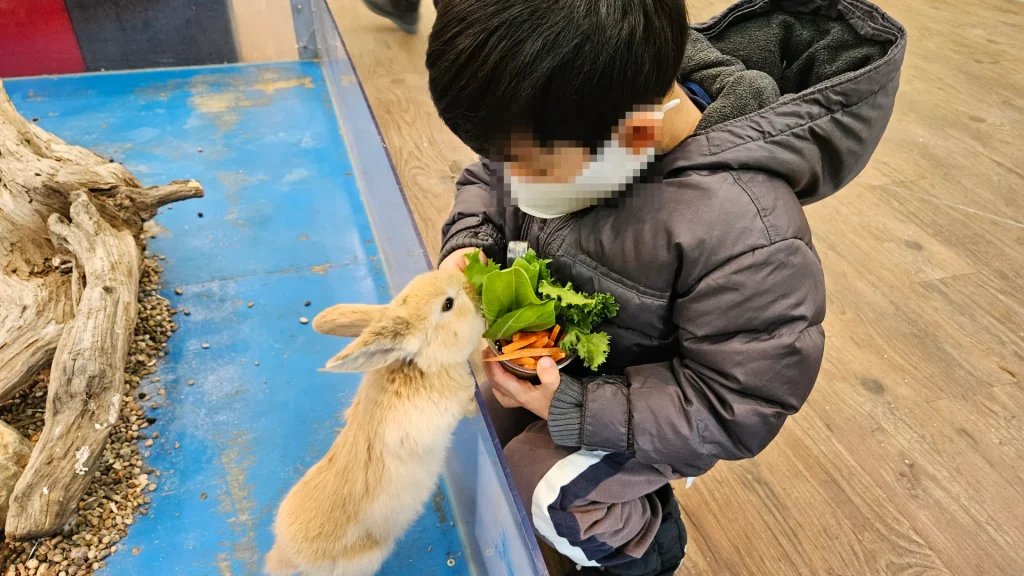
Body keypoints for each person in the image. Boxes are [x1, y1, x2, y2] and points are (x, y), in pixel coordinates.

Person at [430, 0, 906, 574]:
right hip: (561, 361)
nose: (508, 177)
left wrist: (576, 408)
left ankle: (649, 546)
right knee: (466, 413)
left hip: (651, 407)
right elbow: (488, 177)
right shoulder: (567, 113)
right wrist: (471, 242)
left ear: (634, 137)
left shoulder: (743, 227)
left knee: (545, 489)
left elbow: (736, 404)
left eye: (527, 169)